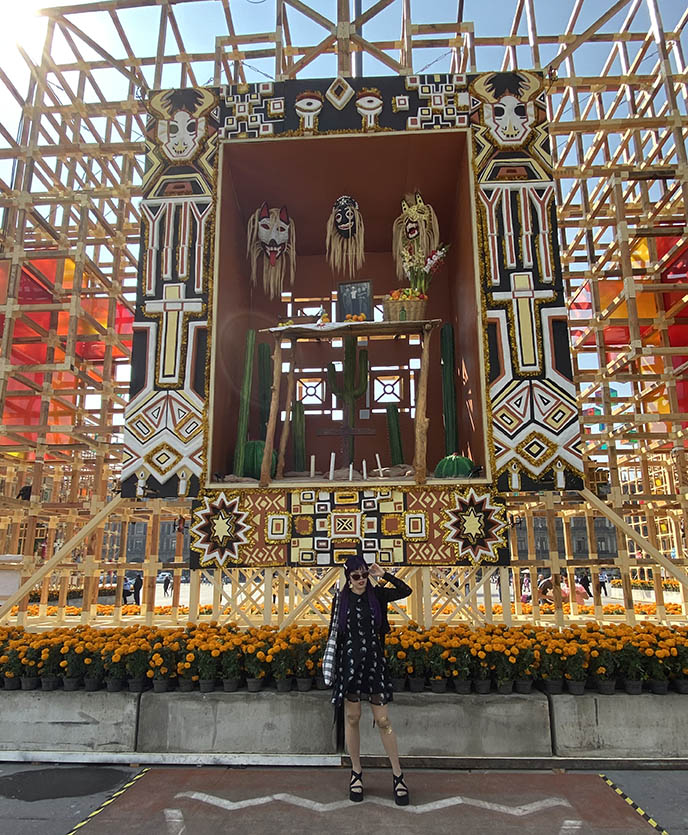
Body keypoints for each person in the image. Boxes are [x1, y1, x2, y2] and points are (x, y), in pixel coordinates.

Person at [330, 556, 412, 806]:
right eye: (356, 576)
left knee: (383, 719)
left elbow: (405, 590)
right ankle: (356, 772)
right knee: (352, 718)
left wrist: (383, 574)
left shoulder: (376, 595)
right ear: (348, 577)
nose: (362, 580)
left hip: (374, 663)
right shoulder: (340, 600)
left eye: (364, 574)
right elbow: (335, 634)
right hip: (350, 665)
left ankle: (398, 775)